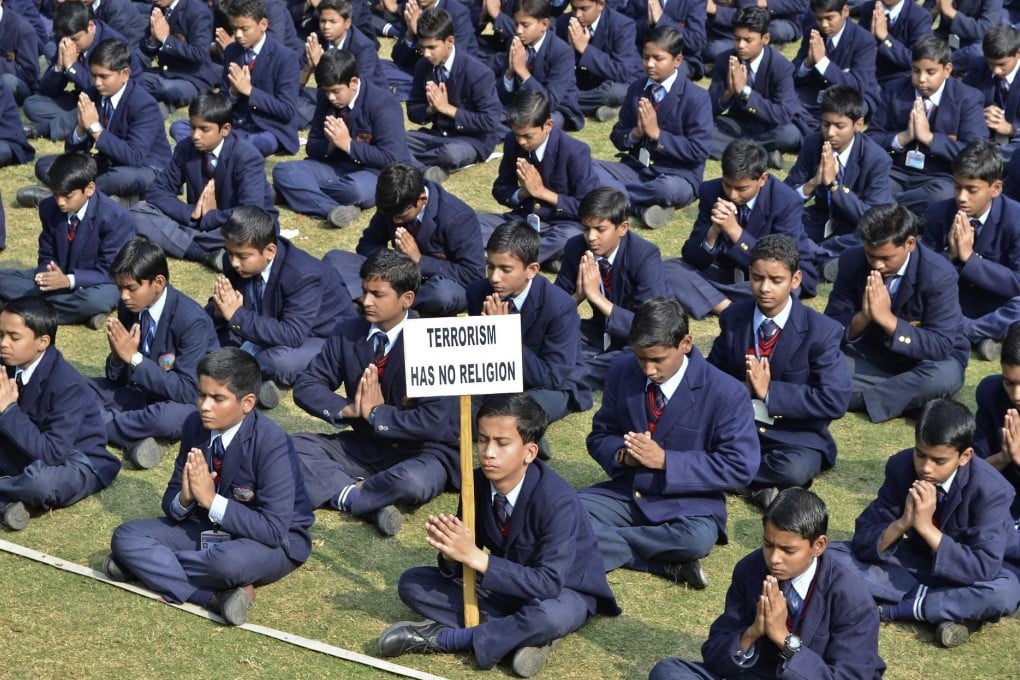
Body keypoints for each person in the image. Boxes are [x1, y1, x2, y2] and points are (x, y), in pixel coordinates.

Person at [378, 393, 619, 678]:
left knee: (544, 617)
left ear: (529, 452)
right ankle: (518, 637)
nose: (488, 452)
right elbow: (464, 563)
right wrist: (450, 553)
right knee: (413, 583)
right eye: (483, 440)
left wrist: (478, 558)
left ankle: (445, 638)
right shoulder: (476, 485)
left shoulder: (558, 500)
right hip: (506, 587)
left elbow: (549, 582)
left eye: (502, 443)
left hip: (564, 591)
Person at [105, 347, 315, 626]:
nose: (205, 405)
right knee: (127, 537)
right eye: (202, 395)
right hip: (208, 528)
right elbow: (171, 500)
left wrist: (211, 500)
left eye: (218, 398)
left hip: (269, 542)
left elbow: (274, 530)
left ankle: (148, 567)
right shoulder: (195, 424)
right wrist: (186, 498)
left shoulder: (272, 443)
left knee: (226, 564)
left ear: (248, 403)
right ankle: (212, 598)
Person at [578, 297, 760, 589]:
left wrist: (664, 460)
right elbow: (600, 436)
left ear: (686, 344)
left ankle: (603, 542)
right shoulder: (623, 372)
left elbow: (740, 467)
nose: (648, 369)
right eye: (641, 358)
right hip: (629, 494)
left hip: (689, 507)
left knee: (695, 540)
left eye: (658, 360)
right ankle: (659, 563)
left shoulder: (725, 392)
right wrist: (624, 456)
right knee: (565, 512)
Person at [291, 250, 458, 537]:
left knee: (411, 482)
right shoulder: (348, 331)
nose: (366, 301)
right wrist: (349, 410)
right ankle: (363, 499)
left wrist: (377, 414)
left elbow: (436, 420)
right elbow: (307, 385)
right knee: (290, 447)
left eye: (377, 294)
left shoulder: (433, 343)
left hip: (423, 452)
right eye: (365, 291)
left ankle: (353, 490)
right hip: (364, 445)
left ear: (406, 299)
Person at [828, 399, 1020, 647]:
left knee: (1002, 593)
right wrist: (903, 523)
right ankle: (944, 609)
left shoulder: (992, 489)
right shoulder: (902, 466)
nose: (926, 468)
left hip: (983, 572)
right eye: (921, 454)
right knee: (831, 555)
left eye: (939, 461)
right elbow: (864, 535)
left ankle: (895, 609)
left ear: (965, 456)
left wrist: (927, 528)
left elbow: (982, 568)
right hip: (922, 563)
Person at [648, 488, 886, 680]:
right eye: (768, 545)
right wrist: (752, 633)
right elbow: (715, 654)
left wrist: (784, 638)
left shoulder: (853, 600)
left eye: (788, 550)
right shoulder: (750, 569)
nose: (774, 559)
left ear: (819, 545)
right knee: (668, 672)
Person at [708, 235, 851, 511]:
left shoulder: (821, 330)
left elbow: (834, 400)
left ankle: (724, 474)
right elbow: (713, 374)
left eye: (776, 280)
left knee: (793, 471)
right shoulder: (734, 317)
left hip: (794, 437)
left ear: (795, 280)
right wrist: (742, 388)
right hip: (739, 426)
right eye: (757, 278)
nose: (764, 288)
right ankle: (754, 486)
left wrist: (770, 392)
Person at [824, 203, 969, 423]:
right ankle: (911, 401)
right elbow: (832, 325)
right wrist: (863, 317)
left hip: (927, 362)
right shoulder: (852, 261)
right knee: (823, 363)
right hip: (873, 356)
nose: (877, 265)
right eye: (870, 255)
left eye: (886, 258)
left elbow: (940, 345)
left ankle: (855, 400)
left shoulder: (939, 275)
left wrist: (888, 320)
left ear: (910, 243)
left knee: (942, 377)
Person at [205, 206, 356, 407]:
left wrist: (237, 316)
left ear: (269, 251)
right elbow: (226, 307)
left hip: (320, 338)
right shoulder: (238, 261)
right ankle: (259, 382)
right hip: (269, 327)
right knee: (208, 336)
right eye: (230, 253)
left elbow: (292, 334)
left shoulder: (303, 274)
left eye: (242, 256)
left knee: (277, 361)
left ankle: (248, 378)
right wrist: (217, 313)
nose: (233, 263)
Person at [89, 239, 218, 470]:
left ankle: (93, 422)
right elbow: (117, 378)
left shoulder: (191, 321)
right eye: (120, 288)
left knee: (166, 418)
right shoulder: (130, 307)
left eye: (131, 288)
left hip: (182, 402)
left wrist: (134, 358)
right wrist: (118, 358)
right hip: (141, 393)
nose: (124, 296)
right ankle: (126, 432)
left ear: (158, 282)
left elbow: (188, 390)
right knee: (81, 388)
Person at [0, 296, 121, 531]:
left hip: (72, 459)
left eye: (14, 337)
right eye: (0, 335)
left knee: (40, 484)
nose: (4, 343)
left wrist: (8, 410)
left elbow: (53, 453)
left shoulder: (68, 384)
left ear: (42, 341)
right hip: (20, 449)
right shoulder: (6, 363)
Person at [466, 222, 591, 445]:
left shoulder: (559, 306)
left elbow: (552, 377)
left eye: (505, 269)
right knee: (456, 410)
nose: (495, 277)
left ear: (532, 269)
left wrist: (503, 335)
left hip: (549, 387)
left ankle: (525, 437)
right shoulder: (478, 292)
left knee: (516, 411)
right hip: (498, 380)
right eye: (490, 266)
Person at [132, 92, 277, 271]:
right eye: (193, 127)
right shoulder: (186, 148)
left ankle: (187, 242)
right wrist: (192, 213)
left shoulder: (246, 156)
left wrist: (210, 217)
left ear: (225, 129)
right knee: (139, 212)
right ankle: (205, 254)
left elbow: (251, 211)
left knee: (246, 233)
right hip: (199, 225)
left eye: (204, 129)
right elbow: (157, 191)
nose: (195, 135)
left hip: (238, 226)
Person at [674, 140, 818, 319]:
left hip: (768, 277)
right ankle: (727, 309)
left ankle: (704, 297)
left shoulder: (785, 201)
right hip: (726, 275)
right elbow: (691, 257)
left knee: (783, 290)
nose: (732, 195)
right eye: (727, 185)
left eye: (741, 188)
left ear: (762, 179)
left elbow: (782, 261)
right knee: (670, 269)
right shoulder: (711, 191)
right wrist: (713, 232)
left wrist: (734, 231)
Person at [271, 49, 413, 228]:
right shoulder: (326, 97)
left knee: (355, 191)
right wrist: (330, 144)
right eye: (326, 91)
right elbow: (312, 146)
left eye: (336, 91)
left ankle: (291, 193)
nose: (330, 97)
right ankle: (333, 210)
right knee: (284, 171)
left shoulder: (383, 104)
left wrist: (348, 144)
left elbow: (392, 159)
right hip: (334, 167)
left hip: (373, 173)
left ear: (353, 82)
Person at [23, 39, 172, 205]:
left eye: (104, 76)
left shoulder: (144, 104)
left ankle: (59, 198)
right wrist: (80, 129)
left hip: (146, 169)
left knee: (117, 178)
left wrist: (95, 129)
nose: (97, 82)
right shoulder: (93, 94)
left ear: (125, 74)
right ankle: (105, 197)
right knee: (47, 165)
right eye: (93, 76)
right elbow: (75, 153)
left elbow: (134, 156)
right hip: (106, 163)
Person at [325, 162, 483, 317]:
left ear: (422, 200)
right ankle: (385, 305)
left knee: (444, 294)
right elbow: (367, 245)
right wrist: (396, 261)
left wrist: (419, 260)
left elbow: (473, 274)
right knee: (335, 260)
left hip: (431, 283)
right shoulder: (392, 205)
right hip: (395, 275)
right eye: (391, 217)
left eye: (401, 217)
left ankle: (380, 306)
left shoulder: (458, 217)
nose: (396, 222)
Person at [594, 26, 712, 229]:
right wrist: (635, 133)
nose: (649, 64)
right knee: (588, 167)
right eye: (645, 57)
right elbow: (618, 135)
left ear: (677, 61)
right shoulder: (637, 88)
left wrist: (657, 135)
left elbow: (700, 150)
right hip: (637, 169)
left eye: (658, 58)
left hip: (676, 176)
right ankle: (640, 209)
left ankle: (613, 196)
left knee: (665, 190)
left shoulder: (697, 98)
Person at [0, 153, 133, 328]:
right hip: (59, 282)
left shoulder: (116, 217)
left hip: (96, 284)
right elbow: (46, 253)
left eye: (67, 196)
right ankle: (77, 313)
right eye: (56, 195)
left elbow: (110, 272)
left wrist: (69, 280)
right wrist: (45, 275)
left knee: (96, 300)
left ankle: (22, 308)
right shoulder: (49, 207)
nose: (60, 202)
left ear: (90, 188)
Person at [554, 187, 667, 389]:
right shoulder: (576, 247)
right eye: (586, 228)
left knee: (635, 360)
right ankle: (569, 369)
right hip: (598, 331)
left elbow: (650, 327)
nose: (591, 237)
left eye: (600, 229)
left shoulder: (644, 256)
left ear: (622, 228)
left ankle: (567, 371)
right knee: (551, 333)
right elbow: (554, 309)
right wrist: (577, 296)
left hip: (636, 339)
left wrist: (596, 298)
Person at [921, 141, 1020, 361]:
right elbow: (922, 269)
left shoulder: (1016, 219)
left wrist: (969, 260)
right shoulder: (939, 213)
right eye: (957, 187)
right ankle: (989, 336)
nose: (962, 197)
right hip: (954, 300)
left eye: (971, 189)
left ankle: (969, 332)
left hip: (998, 304)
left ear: (995, 188)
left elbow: (1017, 282)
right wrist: (951, 255)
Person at [866, 35, 986, 215]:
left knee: (942, 196)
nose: (921, 79)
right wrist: (902, 138)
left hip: (938, 176)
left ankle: (887, 209)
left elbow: (976, 153)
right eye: (916, 71)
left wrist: (930, 139)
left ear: (947, 69)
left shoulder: (968, 98)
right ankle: (899, 211)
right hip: (896, 170)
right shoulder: (895, 90)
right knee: (873, 183)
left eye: (930, 72)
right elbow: (871, 137)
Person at [479, 90, 599, 269]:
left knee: (570, 238)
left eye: (527, 136)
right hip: (522, 220)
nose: (521, 142)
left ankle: (510, 260)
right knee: (473, 221)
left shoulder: (575, 151)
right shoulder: (513, 141)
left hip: (559, 225)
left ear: (548, 125)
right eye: (517, 135)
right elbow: (500, 188)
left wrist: (542, 192)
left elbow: (589, 208)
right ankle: (544, 257)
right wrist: (522, 193)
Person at [784, 84, 893, 275]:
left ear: (858, 124)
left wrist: (834, 186)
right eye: (826, 124)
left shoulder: (876, 158)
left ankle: (811, 253)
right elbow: (785, 195)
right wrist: (813, 182)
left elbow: (873, 219)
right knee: (782, 220)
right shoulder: (813, 143)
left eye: (839, 126)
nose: (830, 132)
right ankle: (824, 258)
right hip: (820, 218)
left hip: (853, 227)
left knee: (878, 236)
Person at [405, 8, 501, 182]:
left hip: (471, 140)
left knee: (450, 155)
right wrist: (430, 109)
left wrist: (448, 109)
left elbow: (490, 122)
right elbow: (413, 110)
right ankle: (425, 170)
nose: (426, 54)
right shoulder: (423, 66)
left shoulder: (478, 73)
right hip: (437, 135)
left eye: (432, 47)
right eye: (423, 47)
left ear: (450, 41)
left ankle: (415, 164)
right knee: (396, 140)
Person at [22, 1, 141, 142]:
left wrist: (72, 67)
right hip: (84, 97)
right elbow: (46, 91)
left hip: (115, 101)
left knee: (91, 110)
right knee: (33, 103)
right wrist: (59, 68)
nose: (70, 44)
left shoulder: (109, 43)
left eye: (75, 39)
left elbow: (101, 87)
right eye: (65, 39)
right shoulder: (67, 41)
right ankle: (79, 122)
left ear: (90, 27)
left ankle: (44, 129)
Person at [196, 0, 300, 157]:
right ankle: (222, 149)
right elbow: (225, 95)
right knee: (181, 127)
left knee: (253, 144)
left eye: (244, 29)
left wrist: (250, 91)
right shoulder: (232, 51)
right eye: (235, 28)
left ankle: (221, 150)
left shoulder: (285, 57)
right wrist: (233, 93)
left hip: (268, 129)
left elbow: (287, 110)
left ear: (263, 24)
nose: (238, 35)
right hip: (236, 125)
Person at [708, 6, 806, 169]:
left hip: (768, 127)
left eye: (748, 40)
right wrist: (729, 93)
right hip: (736, 124)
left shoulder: (781, 66)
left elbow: (783, 114)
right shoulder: (725, 59)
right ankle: (763, 155)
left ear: (765, 38)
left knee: (790, 134)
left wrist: (745, 92)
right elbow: (709, 107)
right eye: (737, 39)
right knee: (703, 129)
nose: (740, 45)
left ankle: (741, 152)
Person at [973, 321, 1020, 577]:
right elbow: (970, 469)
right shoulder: (991, 394)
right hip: (999, 500)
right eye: (1009, 382)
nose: (1016, 394)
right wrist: (1005, 457)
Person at [295, 0, 386, 129]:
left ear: (347, 23)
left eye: (333, 22)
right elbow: (296, 86)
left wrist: (321, 65)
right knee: (290, 98)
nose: (326, 26)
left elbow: (358, 89)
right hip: (330, 95)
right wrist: (308, 67)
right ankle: (319, 116)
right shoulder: (318, 40)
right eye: (323, 21)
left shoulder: (363, 47)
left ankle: (319, 118)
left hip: (361, 102)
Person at [494, 0, 583, 131]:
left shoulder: (561, 51)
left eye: (525, 25)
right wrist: (510, 72)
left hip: (556, 109)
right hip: (520, 105)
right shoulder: (515, 42)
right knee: (490, 113)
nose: (518, 30)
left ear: (544, 24)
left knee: (538, 122)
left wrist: (522, 71)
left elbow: (550, 102)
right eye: (516, 24)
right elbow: (502, 96)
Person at [792, 0, 880, 122]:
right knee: (787, 101)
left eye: (829, 18)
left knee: (847, 111)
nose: (824, 24)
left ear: (845, 11)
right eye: (819, 18)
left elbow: (858, 85)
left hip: (852, 97)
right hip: (815, 95)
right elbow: (794, 72)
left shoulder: (863, 40)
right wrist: (808, 63)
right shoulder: (812, 32)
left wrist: (822, 62)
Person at [554, 0, 642, 122]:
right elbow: (559, 69)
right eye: (574, 8)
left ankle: (566, 103)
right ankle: (603, 108)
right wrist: (569, 50)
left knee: (615, 93)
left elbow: (622, 72)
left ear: (600, 4)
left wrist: (585, 49)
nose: (578, 14)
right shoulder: (564, 22)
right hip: (584, 84)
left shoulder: (622, 25)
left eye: (584, 9)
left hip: (617, 82)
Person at [139, 0, 220, 110]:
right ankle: (158, 105)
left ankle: (162, 106)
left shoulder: (198, 11)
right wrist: (154, 40)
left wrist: (166, 39)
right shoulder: (158, 7)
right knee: (135, 80)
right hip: (166, 72)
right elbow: (147, 48)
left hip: (192, 77)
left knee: (167, 89)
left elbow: (199, 53)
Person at [965, 25, 1020, 164]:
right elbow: (963, 102)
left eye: (1002, 64)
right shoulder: (978, 67)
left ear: (1018, 53)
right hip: (983, 138)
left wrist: (1012, 129)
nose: (996, 70)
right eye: (991, 64)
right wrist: (978, 113)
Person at [860, 0, 933, 86]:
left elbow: (917, 60)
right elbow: (856, 48)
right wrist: (870, 39)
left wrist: (885, 37)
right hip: (870, 73)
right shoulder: (869, 8)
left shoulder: (920, 17)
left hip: (900, 77)